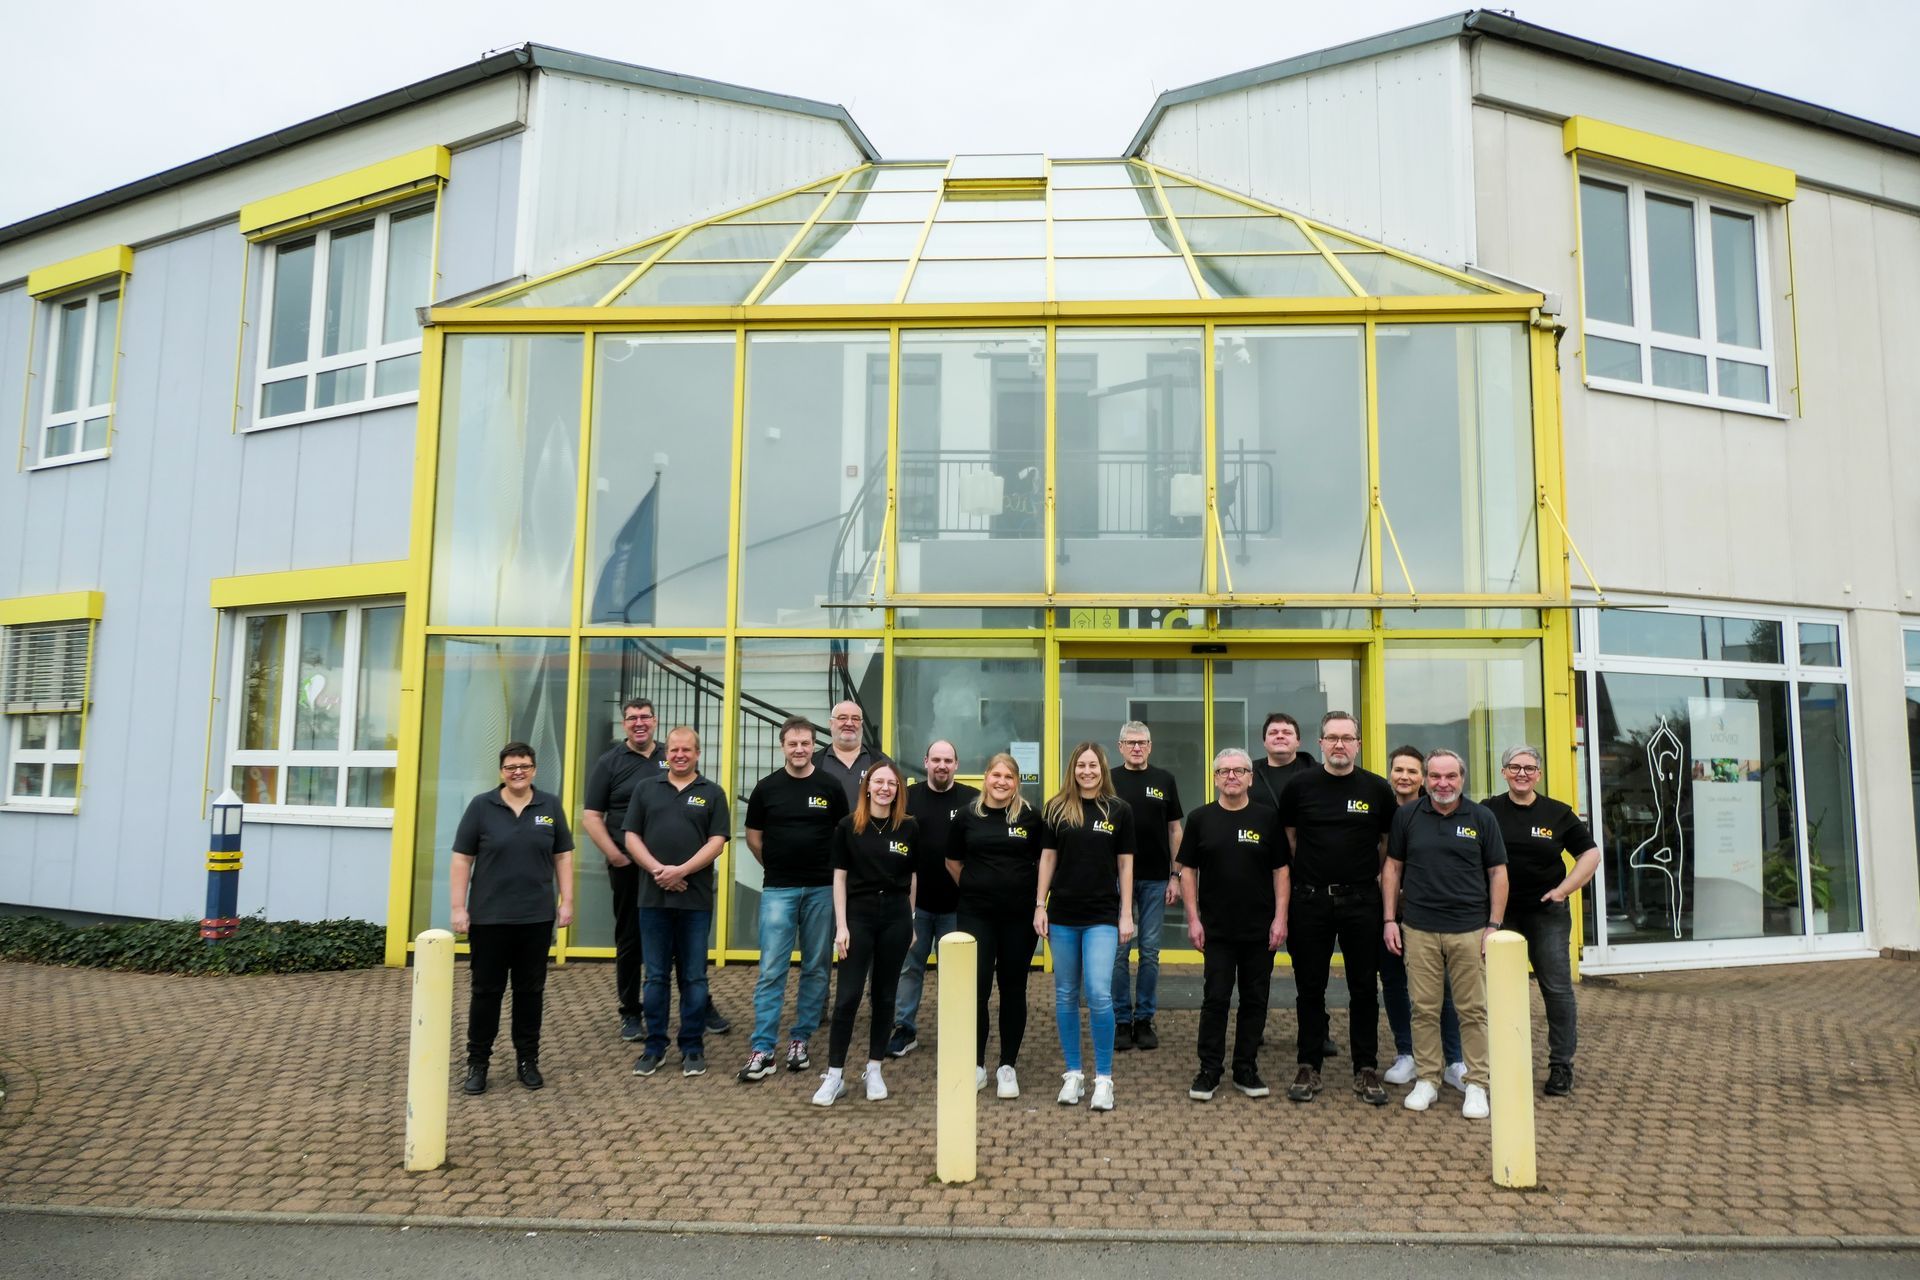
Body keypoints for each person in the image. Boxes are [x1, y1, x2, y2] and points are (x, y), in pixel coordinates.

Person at [1276, 712, 1396, 1106]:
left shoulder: (1377, 789)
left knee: (1364, 988)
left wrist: (1366, 876)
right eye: (1332, 738)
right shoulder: (1299, 786)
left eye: (1347, 738)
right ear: (1321, 743)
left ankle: (1366, 1068)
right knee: (1310, 987)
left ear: (1358, 744)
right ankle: (1308, 1064)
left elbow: (1386, 844)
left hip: (1361, 902)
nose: (1339, 744)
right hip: (1311, 901)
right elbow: (1290, 839)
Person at [1383, 748, 1508, 1119]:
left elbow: (1498, 873)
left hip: (1469, 929)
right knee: (1423, 1008)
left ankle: (1477, 1083)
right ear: (1425, 779)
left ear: (1462, 778)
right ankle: (1428, 1079)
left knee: (1472, 1010)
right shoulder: (1407, 816)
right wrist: (1389, 919)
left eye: (1450, 776)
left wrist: (1494, 925)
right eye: (1435, 776)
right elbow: (1392, 868)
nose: (1443, 783)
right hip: (1419, 929)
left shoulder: (1481, 817)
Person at [451, 741, 575, 1094]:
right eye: (511, 767)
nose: (517, 772)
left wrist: (567, 901)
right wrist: (458, 907)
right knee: (486, 993)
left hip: (535, 918)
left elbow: (563, 856)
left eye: (524, 766)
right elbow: (462, 858)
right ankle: (478, 1063)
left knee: (529, 993)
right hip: (489, 919)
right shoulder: (481, 806)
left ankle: (528, 1061)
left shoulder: (549, 806)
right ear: (501, 771)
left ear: (534, 769)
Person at [1483, 744, 1600, 1097]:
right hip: (1499, 915)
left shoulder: (1557, 813)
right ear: (1503, 772)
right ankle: (1502, 1061)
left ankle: (1561, 1064)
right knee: (1498, 990)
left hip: (1546, 913)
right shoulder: (1488, 811)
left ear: (1539, 774)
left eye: (1529, 768)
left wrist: (1564, 890)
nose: (1522, 773)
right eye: (1515, 767)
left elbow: (1590, 854)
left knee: (1556, 989)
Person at [739, 717, 850, 1082]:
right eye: (793, 744)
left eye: (805, 743)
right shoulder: (766, 788)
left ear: (813, 746)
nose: (799, 749)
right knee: (772, 969)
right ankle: (763, 1048)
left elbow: (843, 834)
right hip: (779, 889)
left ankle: (800, 1040)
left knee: (816, 967)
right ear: (782, 746)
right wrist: (775, 864)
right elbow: (753, 836)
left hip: (821, 889)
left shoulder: (830, 786)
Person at [1180, 748, 1288, 1102]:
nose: (1231, 776)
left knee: (1255, 1000)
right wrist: (1193, 919)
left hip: (1259, 929)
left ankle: (1246, 1068)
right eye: (1224, 771)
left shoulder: (1267, 818)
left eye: (1239, 770)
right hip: (1216, 930)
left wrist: (1280, 918)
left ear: (1250, 778)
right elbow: (1188, 871)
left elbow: (1281, 871)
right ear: (1215, 778)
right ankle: (1209, 1069)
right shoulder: (1200, 819)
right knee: (1216, 999)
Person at [622, 727, 729, 1079]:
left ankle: (692, 1047)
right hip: (653, 899)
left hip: (695, 902)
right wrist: (659, 871)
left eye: (687, 750)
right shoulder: (645, 789)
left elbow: (717, 843)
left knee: (694, 977)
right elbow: (631, 837)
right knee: (655, 978)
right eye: (674, 749)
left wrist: (681, 871)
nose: (680, 755)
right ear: (666, 753)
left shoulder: (712, 793)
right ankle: (654, 1047)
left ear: (698, 753)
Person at [949, 752, 1053, 1099]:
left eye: (1009, 777)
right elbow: (952, 861)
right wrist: (976, 886)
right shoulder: (967, 816)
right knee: (976, 990)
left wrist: (1036, 902)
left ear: (1016, 782)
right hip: (975, 915)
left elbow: (1043, 861)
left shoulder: (1030, 817)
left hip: (1018, 917)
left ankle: (1007, 1065)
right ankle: (977, 1065)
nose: (1002, 782)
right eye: (996, 775)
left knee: (1013, 988)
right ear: (986, 777)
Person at [1037, 743, 1135, 1111]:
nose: (1087, 771)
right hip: (1062, 914)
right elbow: (1048, 858)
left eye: (1093, 765)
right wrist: (1040, 905)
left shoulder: (1119, 810)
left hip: (1102, 916)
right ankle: (1074, 1074)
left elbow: (1125, 865)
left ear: (1102, 769)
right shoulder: (1056, 808)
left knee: (1098, 992)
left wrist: (1126, 913)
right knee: (1065, 993)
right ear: (1072, 769)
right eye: (1081, 765)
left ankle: (1104, 1080)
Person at [815, 757, 918, 1106]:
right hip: (858, 915)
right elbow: (839, 878)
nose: (885, 788)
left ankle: (874, 1068)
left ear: (898, 790)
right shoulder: (849, 826)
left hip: (896, 917)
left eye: (891, 783)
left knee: (885, 996)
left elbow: (913, 878)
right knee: (847, 997)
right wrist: (841, 926)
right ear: (868, 787)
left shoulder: (909, 827)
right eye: (879, 782)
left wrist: (911, 919)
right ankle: (834, 1075)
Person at [888, 740, 979, 1057]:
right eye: (936, 760)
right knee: (909, 968)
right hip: (915, 904)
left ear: (956, 764)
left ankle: (955, 1032)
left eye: (948, 761)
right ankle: (904, 1029)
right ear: (925, 761)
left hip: (957, 905)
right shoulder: (907, 797)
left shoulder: (971, 799)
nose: (942, 766)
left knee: (956, 973)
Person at [1378, 745, 1462, 1088]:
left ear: (1423, 778)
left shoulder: (1438, 810)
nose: (1404, 776)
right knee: (1394, 982)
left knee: (1443, 987)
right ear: (1390, 774)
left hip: (1430, 913)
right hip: (1386, 912)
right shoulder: (1380, 812)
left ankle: (1454, 1059)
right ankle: (1407, 1054)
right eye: (1398, 770)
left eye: (1412, 771)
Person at [581, 699, 661, 1045]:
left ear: (655, 721)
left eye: (644, 717)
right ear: (624, 724)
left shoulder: (670, 756)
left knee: (680, 937)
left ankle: (699, 1005)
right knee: (630, 938)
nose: (639, 723)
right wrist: (615, 856)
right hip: (628, 867)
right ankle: (630, 1011)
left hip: (668, 868)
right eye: (632, 718)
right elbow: (591, 817)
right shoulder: (609, 763)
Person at [1108, 721, 1182, 1053]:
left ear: (1150, 746)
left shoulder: (1164, 780)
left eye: (1142, 742)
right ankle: (1122, 1020)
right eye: (1131, 742)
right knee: (1119, 952)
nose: (1137, 748)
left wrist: (1175, 875)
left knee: (1150, 952)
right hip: (1114, 879)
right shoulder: (1108, 780)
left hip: (1155, 879)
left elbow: (1175, 830)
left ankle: (1144, 1020)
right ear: (1120, 746)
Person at [814, 701, 876, 806]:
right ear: (831, 723)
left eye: (855, 719)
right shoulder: (813, 763)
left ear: (861, 725)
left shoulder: (881, 762)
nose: (849, 723)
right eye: (842, 718)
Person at [1250, 713, 1316, 810]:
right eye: (1273, 733)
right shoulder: (1247, 773)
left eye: (1287, 733)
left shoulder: (1316, 773)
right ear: (1264, 742)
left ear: (1298, 742)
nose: (1280, 736)